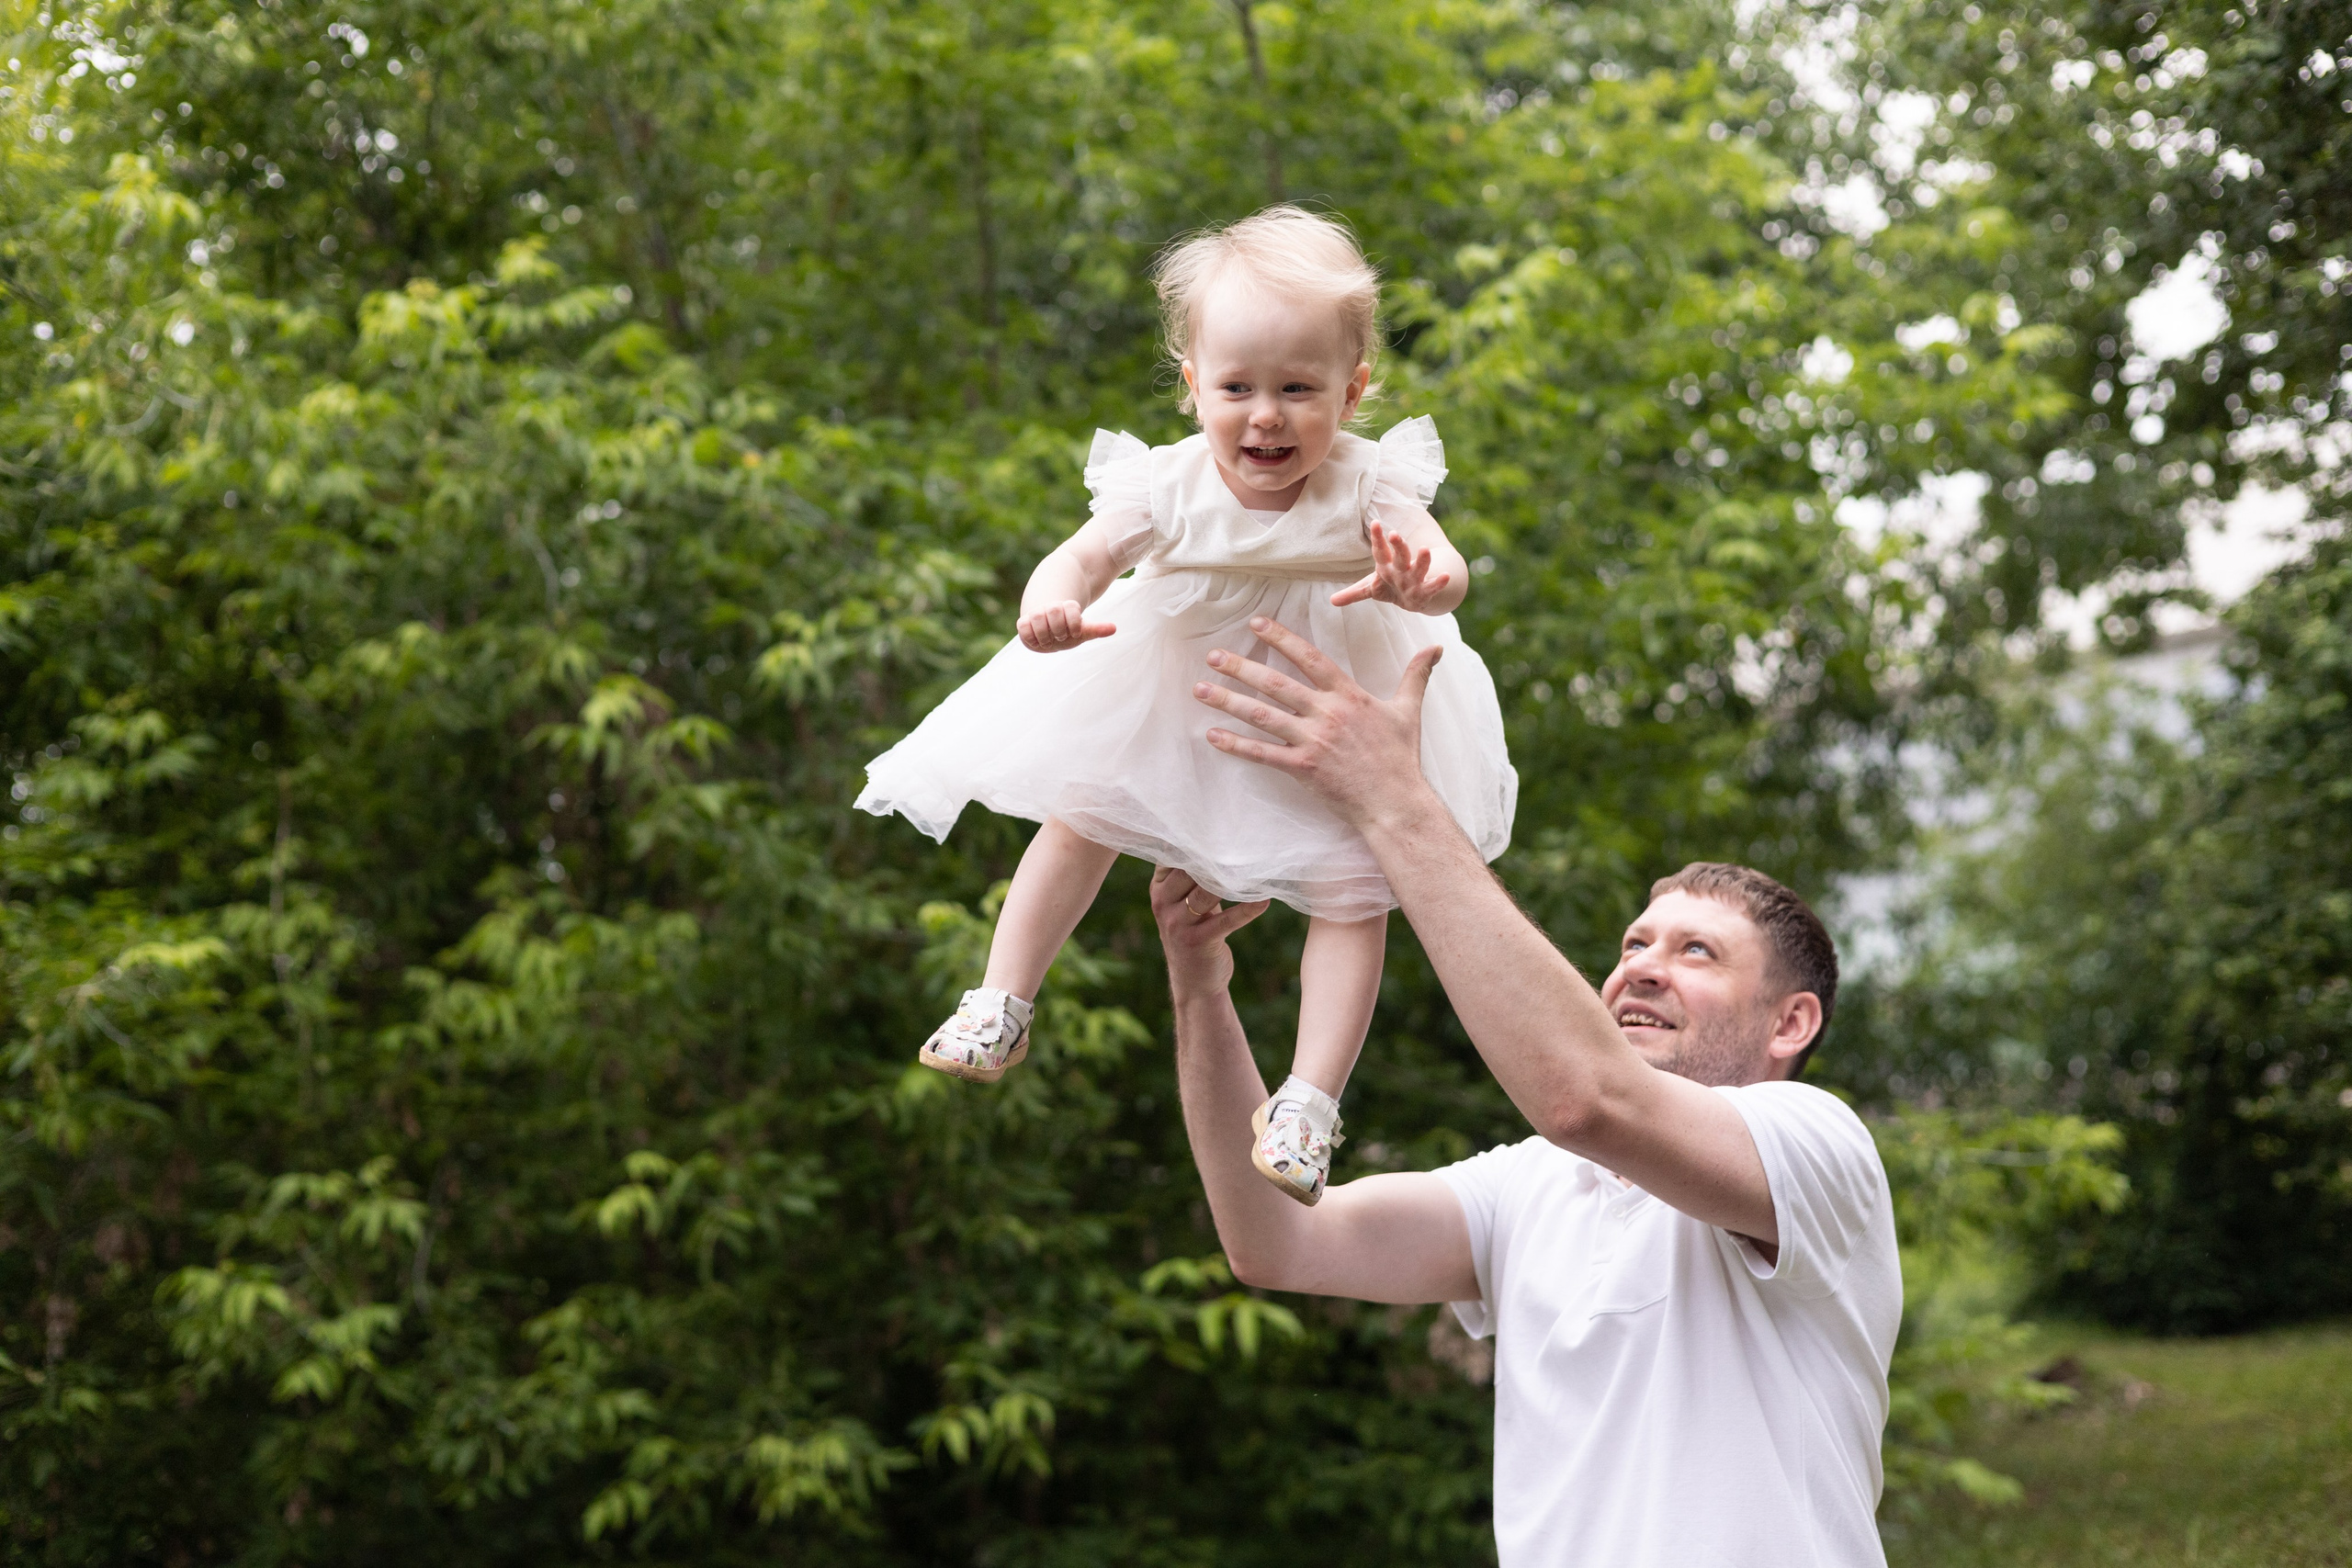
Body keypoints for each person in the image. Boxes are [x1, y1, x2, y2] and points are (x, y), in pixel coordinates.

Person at [1151, 616, 1900, 1567]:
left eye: (1695, 952)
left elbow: (1584, 1097)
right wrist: (1200, 987)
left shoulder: (1812, 1142)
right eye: (1633, 945)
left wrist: (1392, 796)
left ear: (1789, 1024)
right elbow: (1275, 1241)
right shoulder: (1528, 1188)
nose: (1641, 969)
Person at [856, 208, 1517, 1203]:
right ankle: (1001, 997)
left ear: (1353, 388)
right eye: (1237, 387)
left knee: (1354, 890)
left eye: (1299, 389)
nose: (1267, 416)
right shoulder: (1161, 482)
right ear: (1191, 385)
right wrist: (1051, 602)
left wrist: (1421, 583)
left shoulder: (1374, 481)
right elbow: (1081, 555)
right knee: (1078, 818)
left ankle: (1308, 1102)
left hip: (1327, 696)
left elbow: (1446, 566)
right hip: (1177, 689)